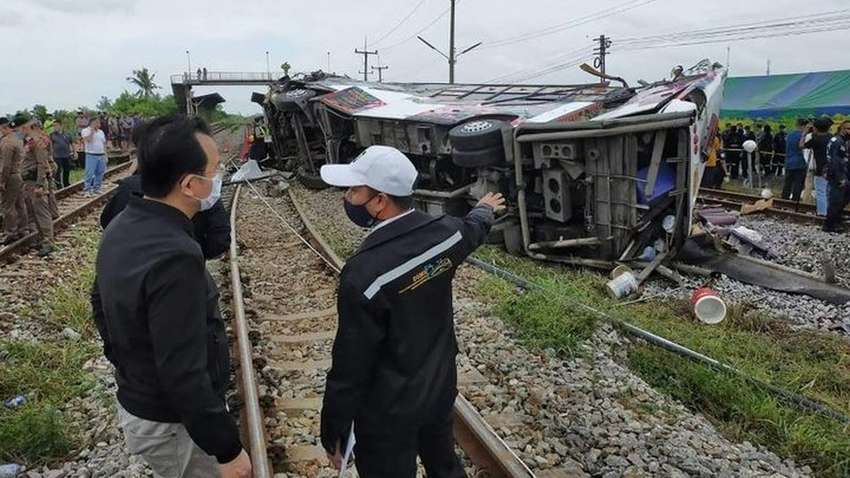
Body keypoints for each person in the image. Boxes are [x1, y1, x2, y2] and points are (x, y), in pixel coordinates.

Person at [318, 145, 505, 478]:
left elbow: (351, 362)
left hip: (387, 411)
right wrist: (486, 210)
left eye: (354, 190)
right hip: (437, 389)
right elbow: (473, 228)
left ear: (380, 201)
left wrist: (334, 426)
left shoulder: (365, 273)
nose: (347, 197)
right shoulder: (446, 235)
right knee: (444, 465)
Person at [93, 115, 251, 478]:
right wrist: (226, 449)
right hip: (174, 425)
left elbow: (98, 303)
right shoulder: (175, 254)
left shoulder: (123, 224)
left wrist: (131, 368)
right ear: (190, 184)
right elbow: (183, 372)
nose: (218, 178)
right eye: (214, 170)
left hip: (143, 403)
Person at [20, 120, 55, 256]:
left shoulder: (38, 142)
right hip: (29, 181)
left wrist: (40, 184)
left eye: (25, 127)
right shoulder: (30, 141)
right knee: (35, 213)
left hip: (35, 181)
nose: (22, 129)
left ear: (32, 128)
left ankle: (48, 242)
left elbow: (41, 164)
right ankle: (42, 239)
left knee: (42, 213)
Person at [0, 115, 29, 245]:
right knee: (19, 203)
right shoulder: (17, 140)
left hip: (10, 176)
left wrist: (2, 181)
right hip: (18, 174)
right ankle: (23, 229)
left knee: (8, 206)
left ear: (3, 127)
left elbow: (5, 165)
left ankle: (10, 232)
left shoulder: (6, 142)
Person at [823, 120, 850, 233]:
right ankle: (829, 225)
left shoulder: (839, 140)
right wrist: (840, 178)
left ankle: (837, 220)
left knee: (843, 198)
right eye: (848, 129)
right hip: (837, 176)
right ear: (842, 129)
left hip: (840, 174)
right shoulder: (838, 142)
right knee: (836, 200)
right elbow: (835, 161)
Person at [805, 118, 833, 216]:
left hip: (820, 169)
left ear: (815, 128)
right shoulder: (832, 137)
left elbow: (801, 146)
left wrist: (804, 133)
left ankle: (822, 213)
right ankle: (830, 212)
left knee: (821, 191)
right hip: (832, 168)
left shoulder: (815, 139)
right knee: (829, 191)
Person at [783, 118, 809, 201]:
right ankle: (795, 201)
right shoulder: (803, 136)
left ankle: (784, 200)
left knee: (787, 183)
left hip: (789, 162)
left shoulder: (789, 135)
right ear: (803, 126)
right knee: (798, 184)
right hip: (799, 163)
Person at [81, 118, 107, 196]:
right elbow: (88, 140)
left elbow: (104, 144)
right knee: (89, 173)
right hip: (91, 155)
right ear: (93, 123)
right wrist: (92, 130)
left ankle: (97, 188)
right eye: (97, 122)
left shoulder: (101, 132)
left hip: (101, 154)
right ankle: (87, 190)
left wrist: (106, 155)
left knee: (100, 172)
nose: (99, 124)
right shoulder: (85, 130)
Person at [50, 122, 73, 188]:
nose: (54, 127)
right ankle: (58, 185)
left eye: (56, 125)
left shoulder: (67, 134)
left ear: (61, 126)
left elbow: (71, 143)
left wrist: (74, 152)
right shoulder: (52, 135)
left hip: (66, 155)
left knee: (67, 170)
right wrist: (51, 155)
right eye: (53, 126)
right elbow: (51, 146)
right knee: (58, 171)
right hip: (57, 156)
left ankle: (66, 183)